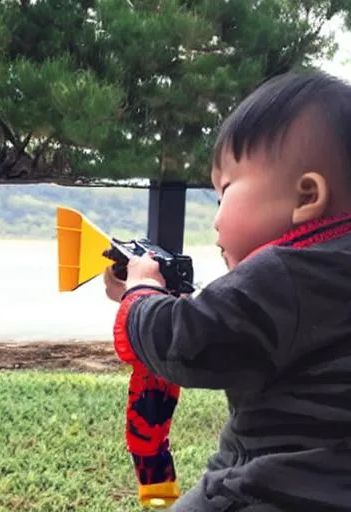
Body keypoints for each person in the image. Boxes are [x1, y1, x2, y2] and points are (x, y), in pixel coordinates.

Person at [103, 71, 351, 511]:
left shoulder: (288, 272)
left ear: (306, 197)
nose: (216, 217)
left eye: (225, 191)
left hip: (270, 489)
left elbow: (188, 344)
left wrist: (140, 294)